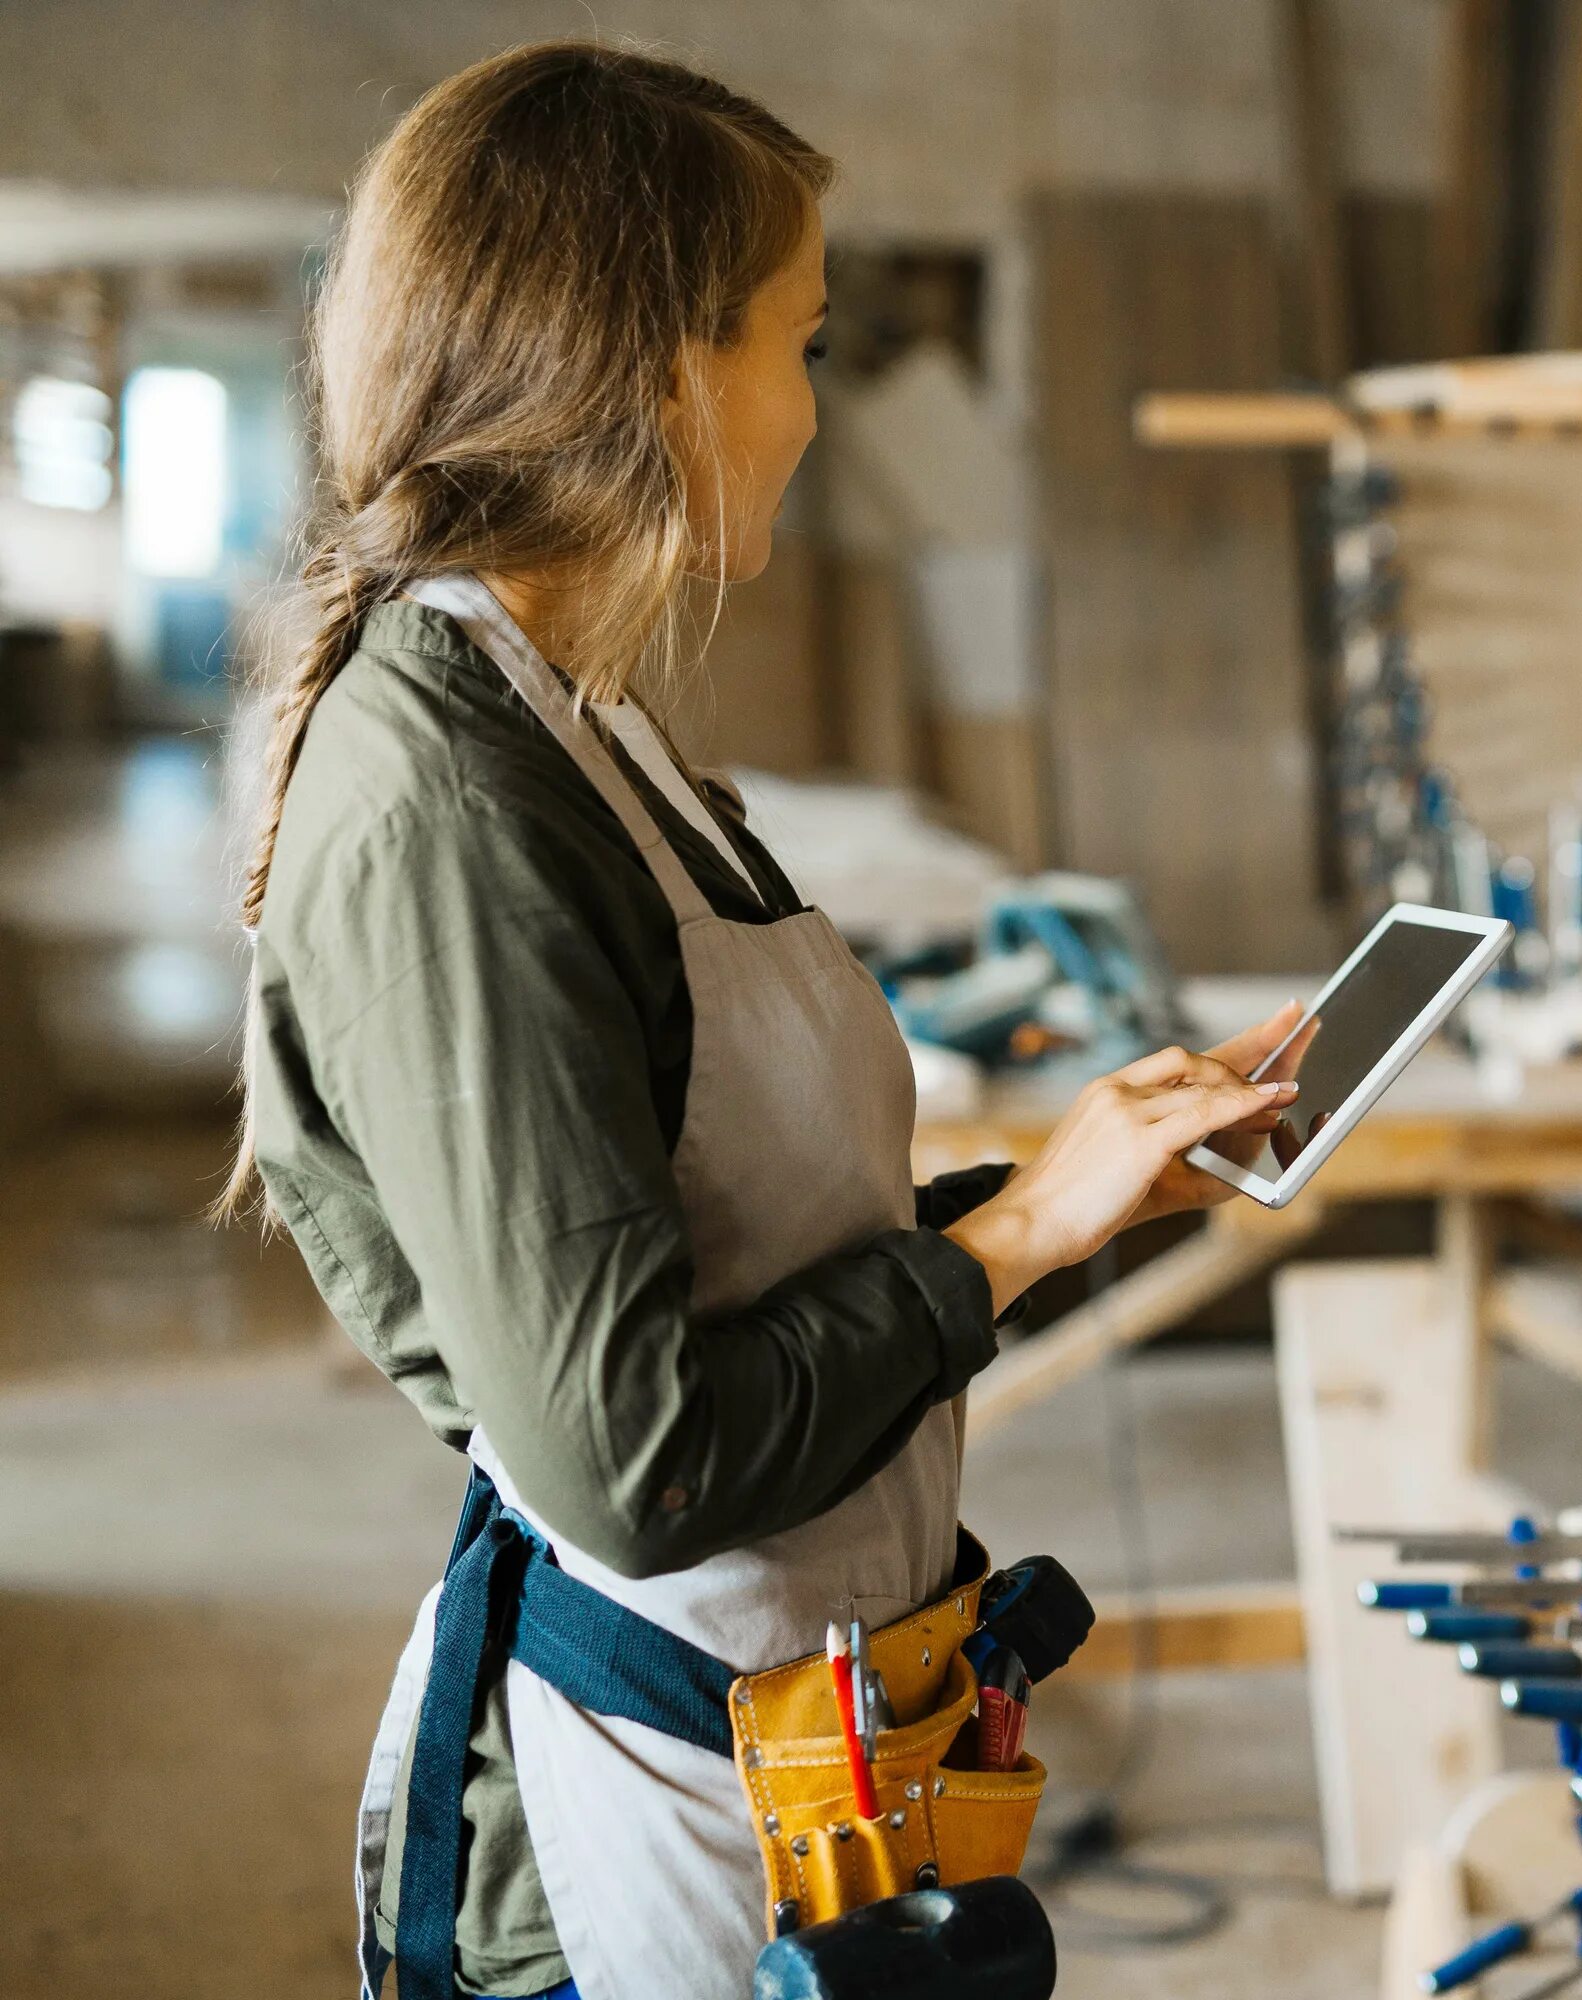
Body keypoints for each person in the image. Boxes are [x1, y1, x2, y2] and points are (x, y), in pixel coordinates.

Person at [228, 42, 1306, 2000]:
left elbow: (753, 1254)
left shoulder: (590, 729)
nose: (810, 416)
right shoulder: (456, 799)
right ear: (655, 373)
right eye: (796, 347)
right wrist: (1019, 1232)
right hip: (646, 1791)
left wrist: (1086, 1187)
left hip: (799, 1745)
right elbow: (629, 1448)